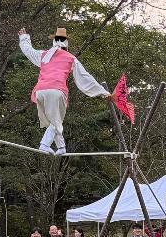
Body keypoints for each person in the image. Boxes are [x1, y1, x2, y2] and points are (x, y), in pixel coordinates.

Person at [17, 26, 111, 154]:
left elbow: (29, 51)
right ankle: (44, 144)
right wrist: (103, 92)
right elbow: (85, 78)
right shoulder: (71, 58)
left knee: (54, 120)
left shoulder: (44, 55)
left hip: (40, 91)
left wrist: (24, 38)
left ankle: (61, 147)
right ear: (66, 43)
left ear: (54, 41)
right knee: (56, 120)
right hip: (56, 91)